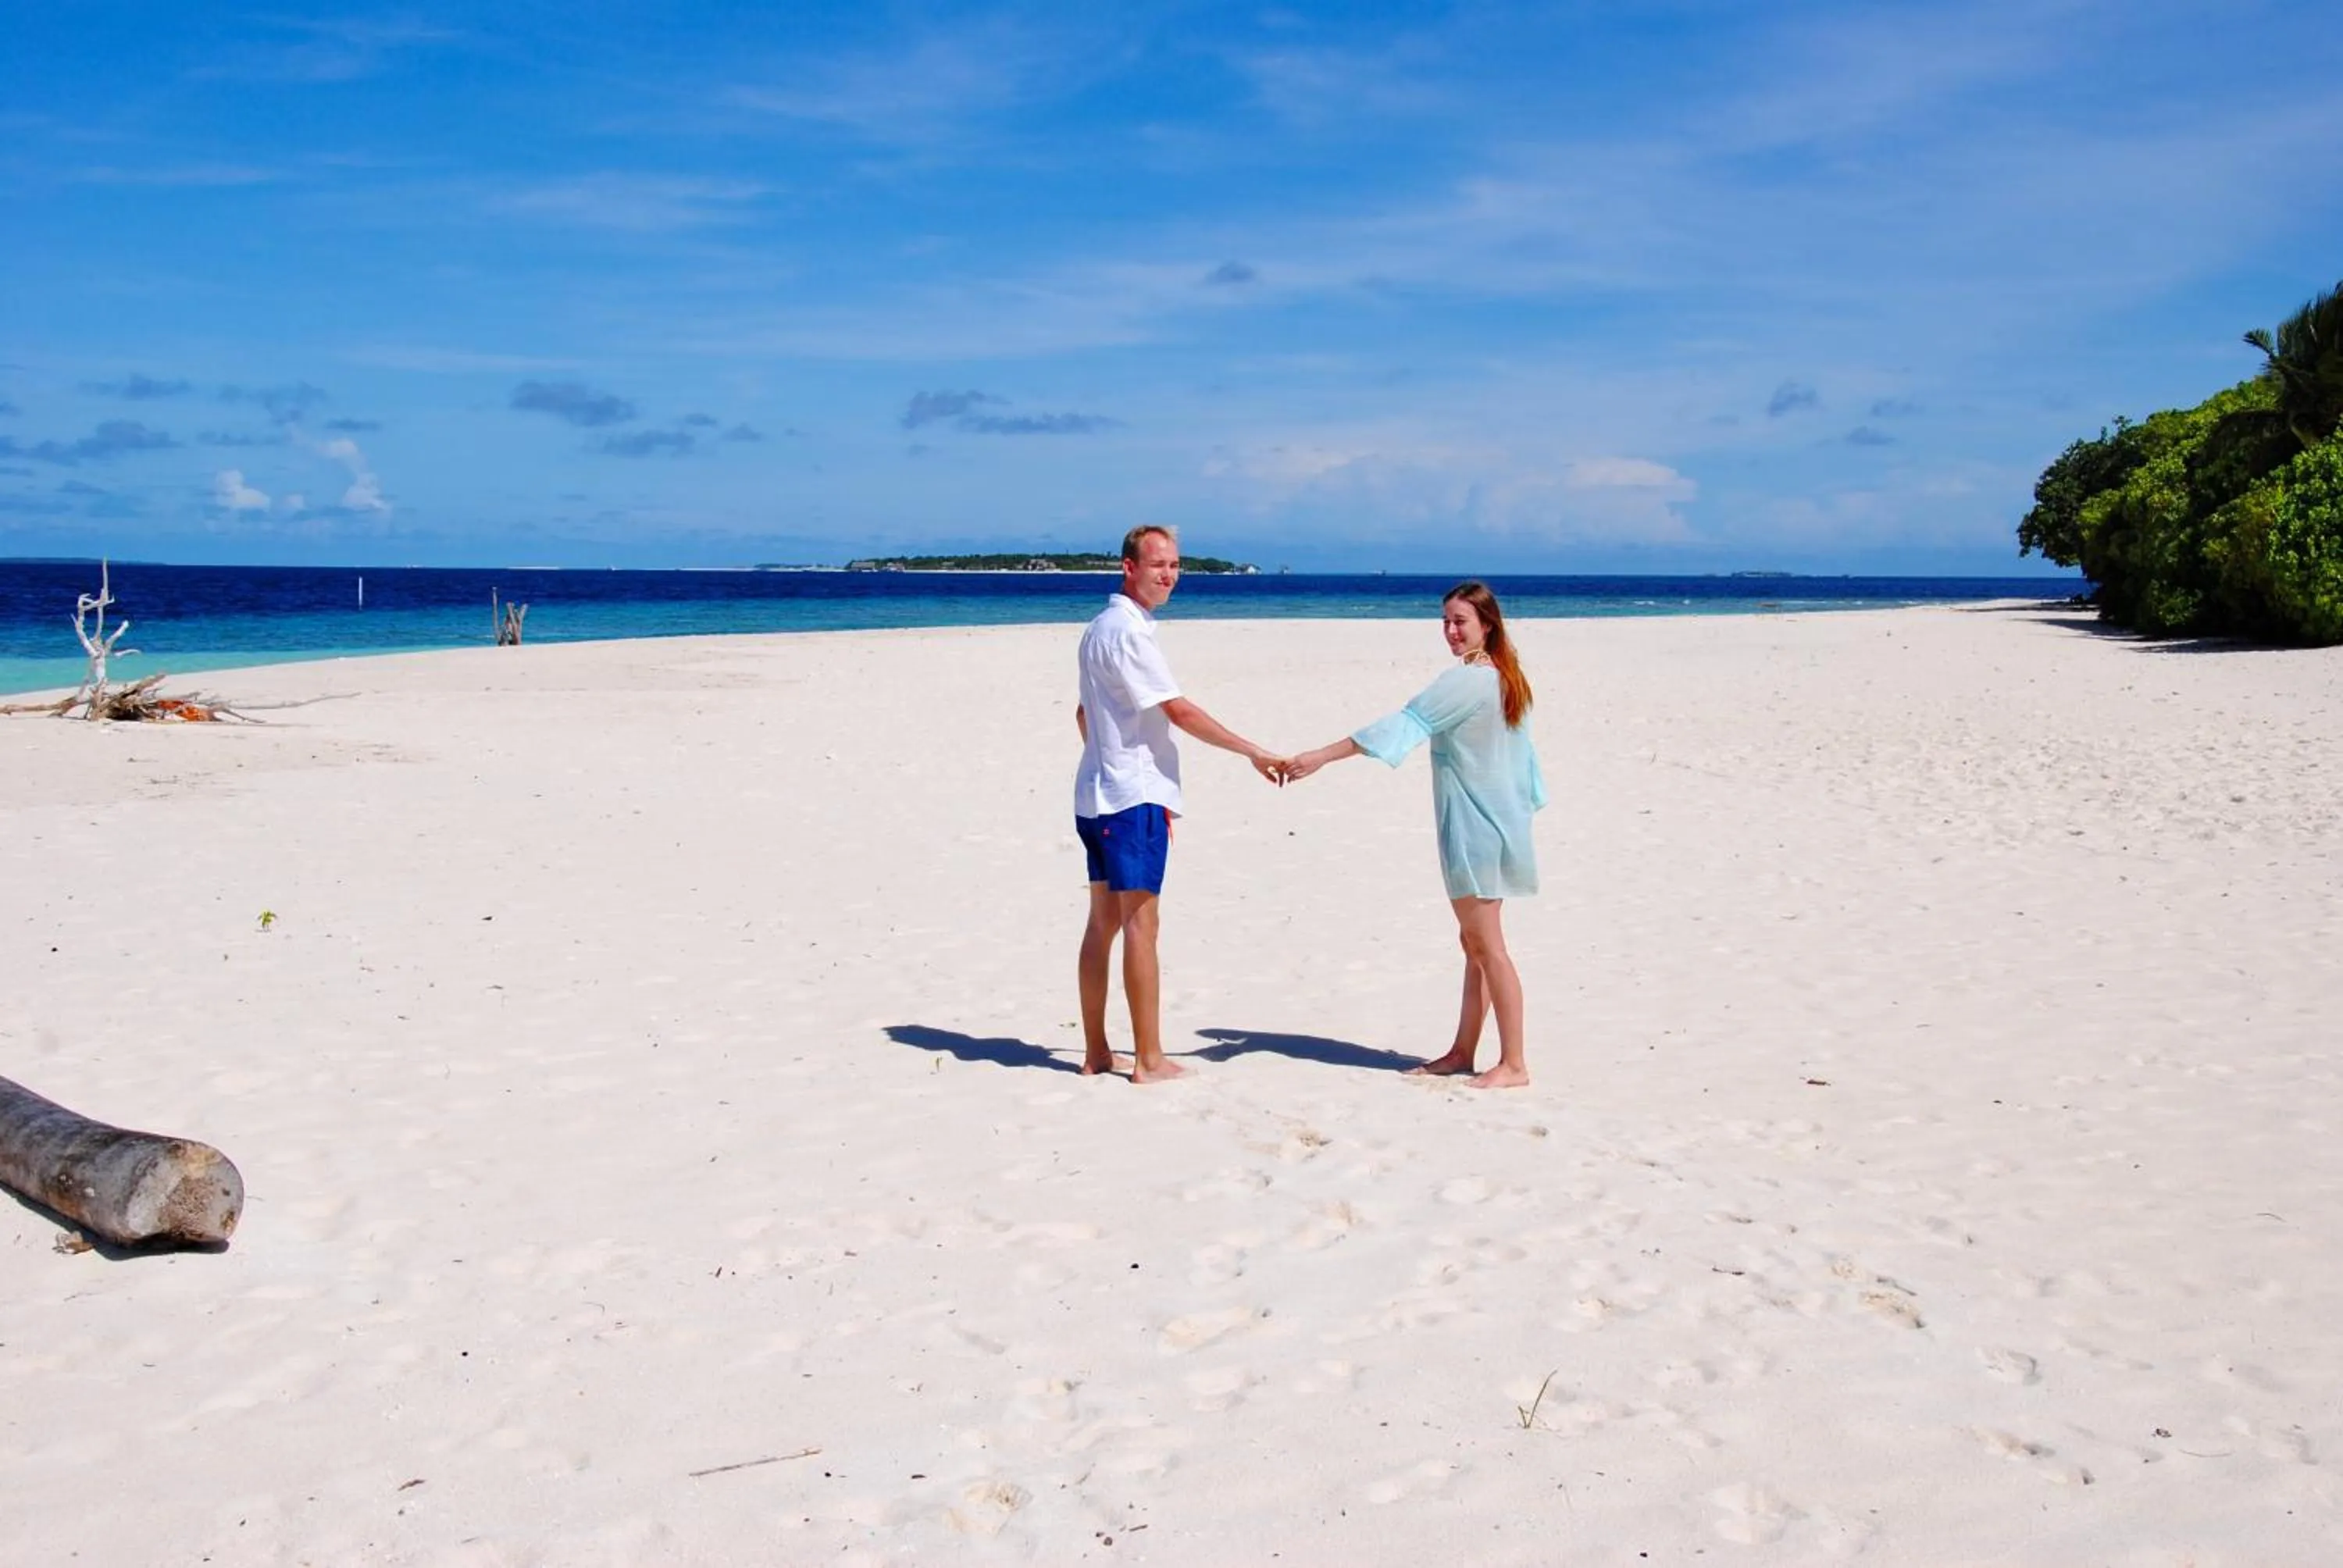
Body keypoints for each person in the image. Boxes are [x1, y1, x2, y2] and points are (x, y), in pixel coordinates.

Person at [1282, 581, 1546, 1088]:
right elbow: (1523, 765)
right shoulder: (1505, 678)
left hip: (1475, 827)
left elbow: (1401, 725)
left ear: (1486, 625)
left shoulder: (1468, 681)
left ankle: (1514, 1063)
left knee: (1489, 947)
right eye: (1445, 620)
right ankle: (1463, 1050)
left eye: (1460, 621)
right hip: (1495, 823)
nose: (1449, 631)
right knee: (1476, 946)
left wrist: (1318, 757)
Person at [1075, 525, 1283, 1083]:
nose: (1168, 574)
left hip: (1096, 796)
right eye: (1157, 564)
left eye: (1174, 564)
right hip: (1132, 799)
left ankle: (1097, 1051)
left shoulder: (1099, 629)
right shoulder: (1131, 633)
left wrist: (1107, 753)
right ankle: (1149, 1060)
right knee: (1141, 926)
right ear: (1128, 567)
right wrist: (1251, 751)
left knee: (1103, 924)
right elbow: (1179, 711)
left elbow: (1084, 717)